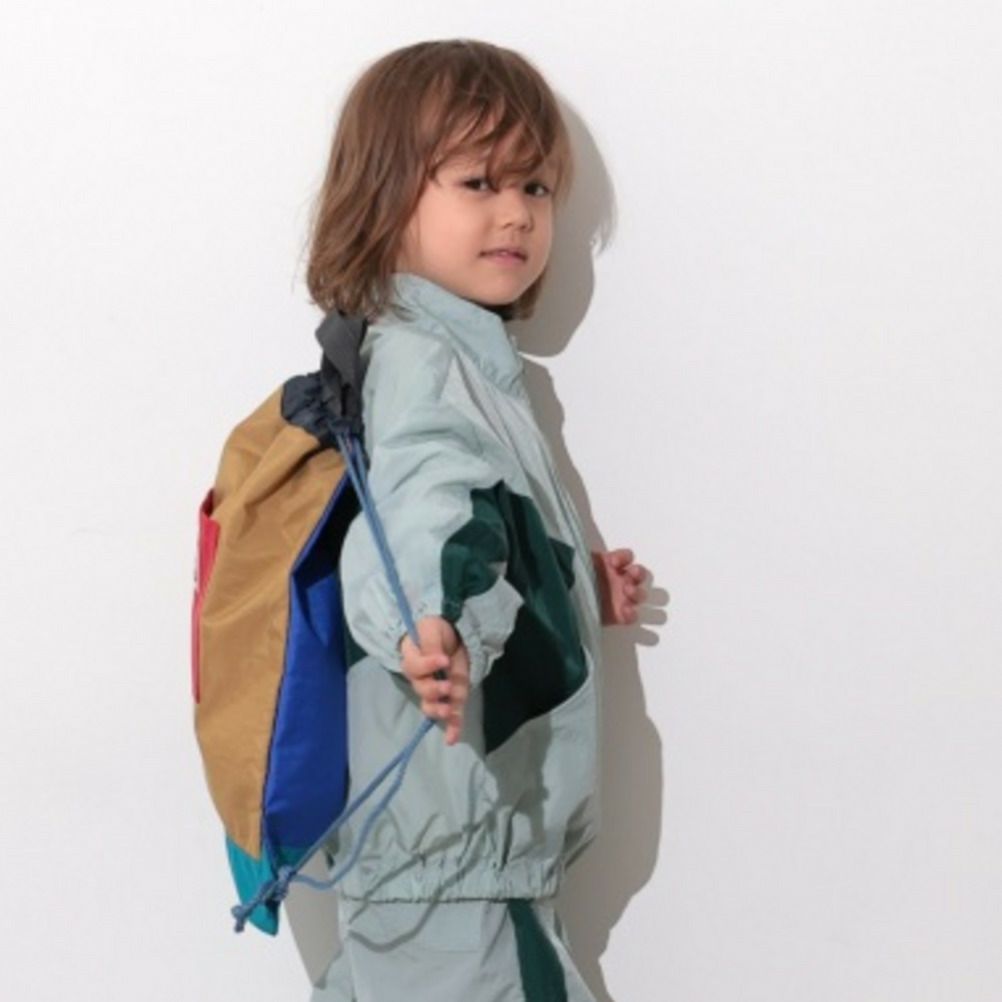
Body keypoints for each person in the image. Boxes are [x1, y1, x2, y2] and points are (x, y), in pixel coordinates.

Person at [303, 38, 648, 1002]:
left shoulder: (462, 361)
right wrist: (435, 621)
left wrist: (570, 582)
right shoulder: (426, 363)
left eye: (536, 187)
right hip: (456, 857)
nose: (517, 213)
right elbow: (428, 510)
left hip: (443, 855)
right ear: (385, 199)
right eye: (479, 182)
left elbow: (481, 525)